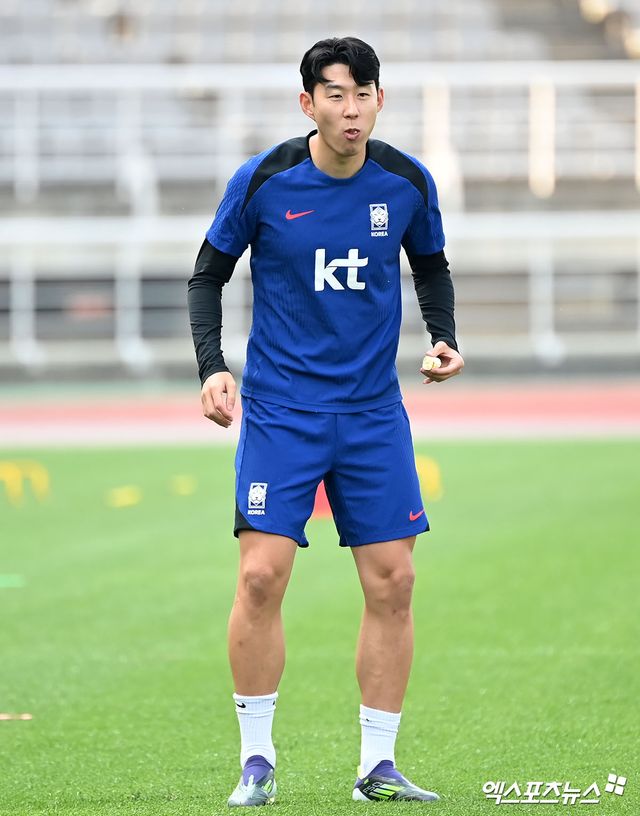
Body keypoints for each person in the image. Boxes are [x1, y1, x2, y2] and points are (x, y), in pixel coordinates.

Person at [188, 36, 464, 807]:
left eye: (364, 92)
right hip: (281, 412)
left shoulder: (406, 182)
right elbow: (208, 274)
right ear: (307, 103)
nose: (352, 109)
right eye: (335, 95)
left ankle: (378, 765)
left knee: (394, 581)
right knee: (261, 575)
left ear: (381, 98)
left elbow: (430, 265)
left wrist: (443, 336)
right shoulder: (265, 180)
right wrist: (213, 366)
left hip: (373, 413)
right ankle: (256, 760)